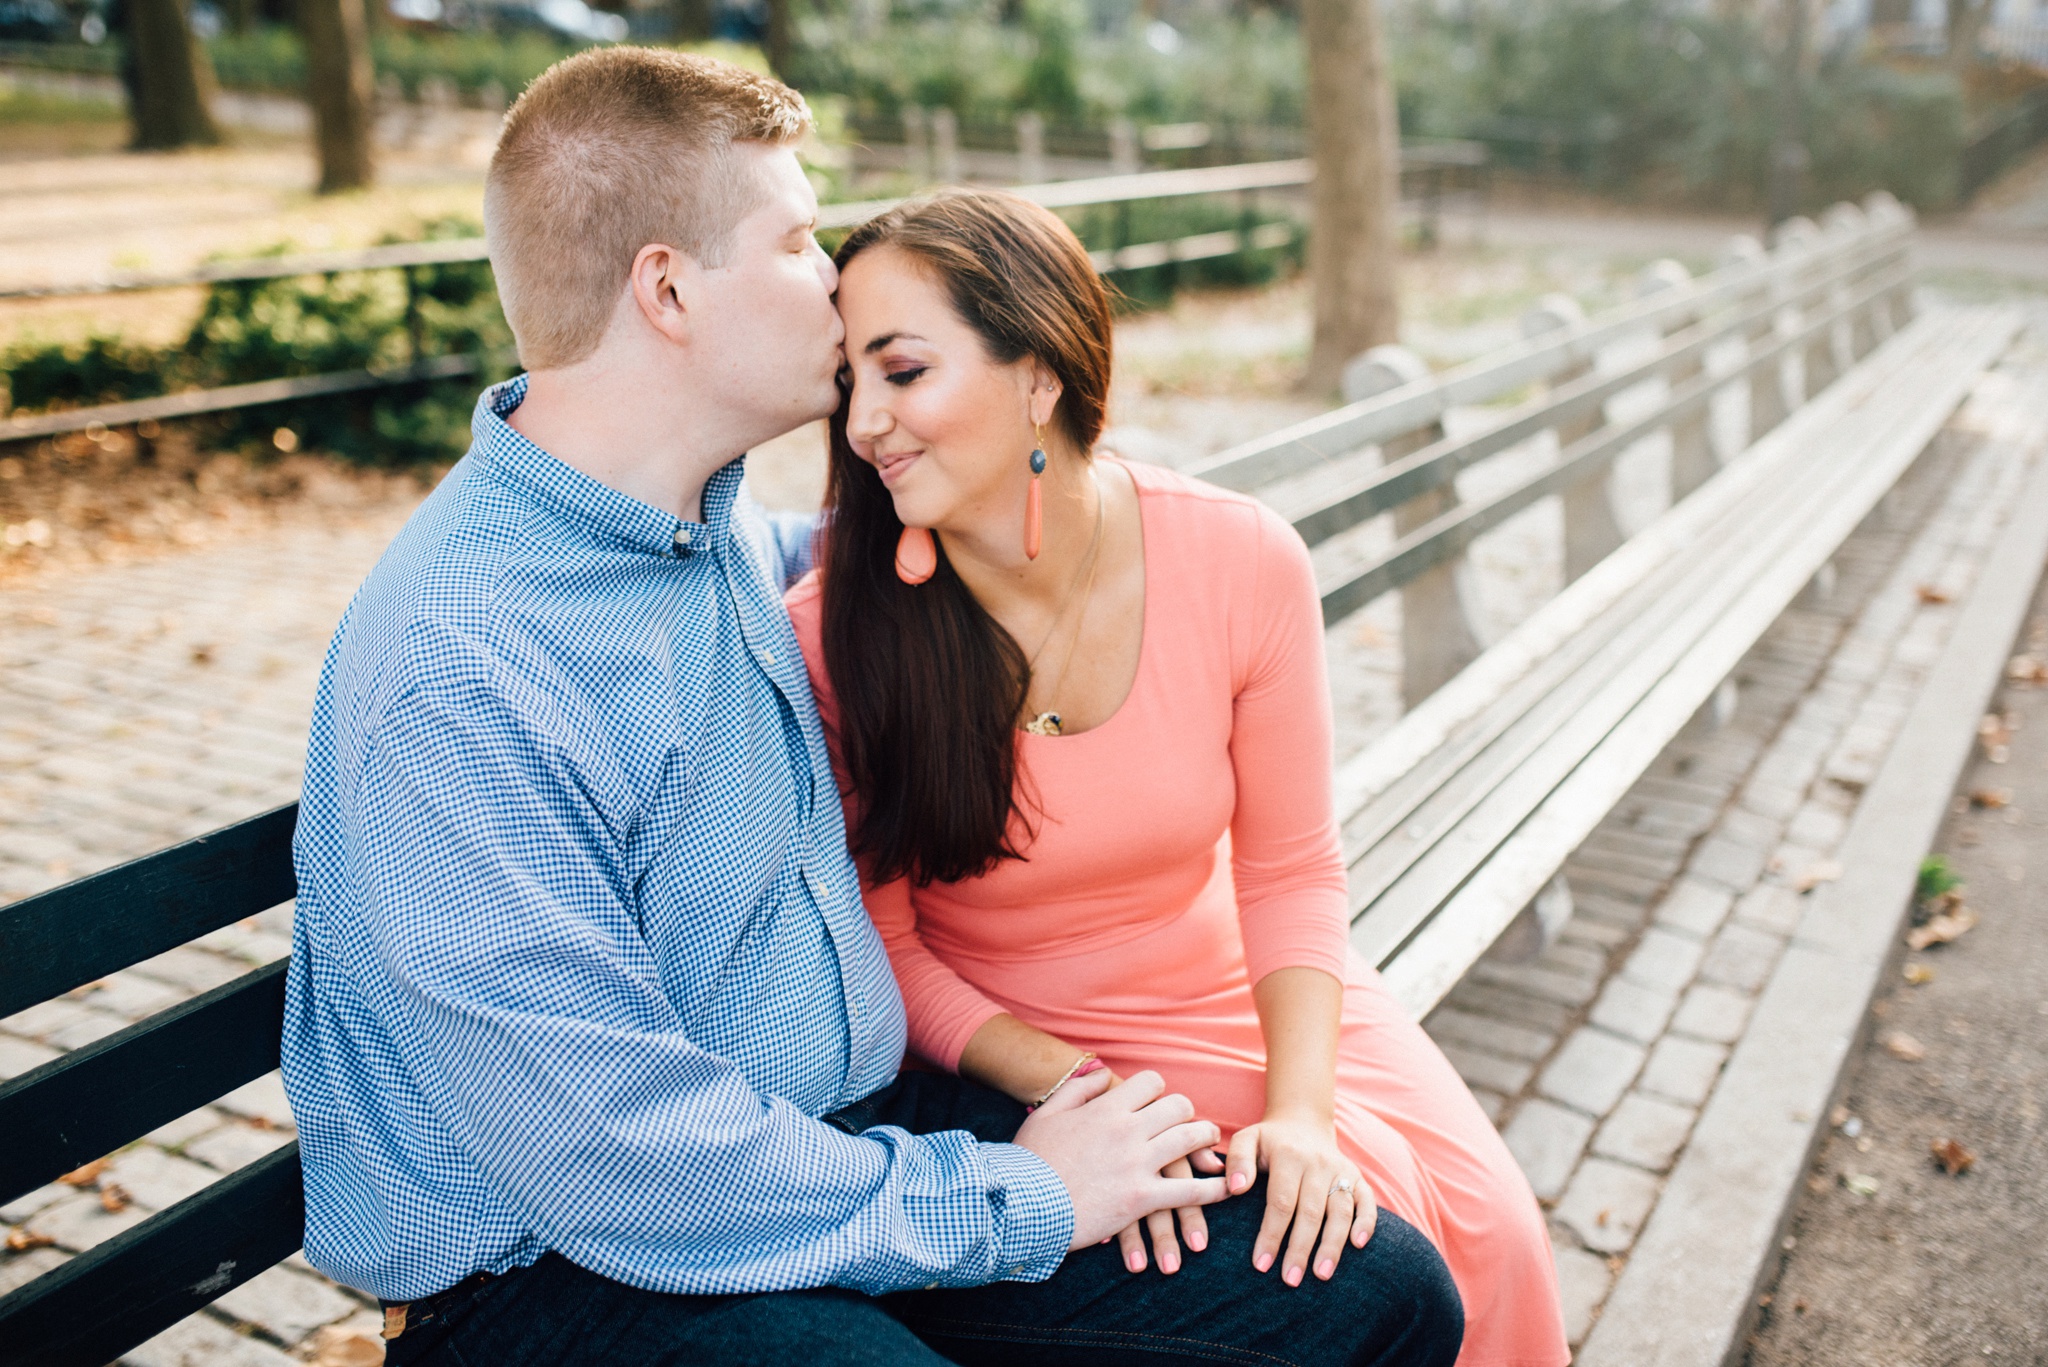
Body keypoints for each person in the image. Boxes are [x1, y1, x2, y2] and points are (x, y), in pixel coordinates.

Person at [281, 45, 1465, 1367]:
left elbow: (958, 538)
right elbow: (615, 1150)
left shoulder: (707, 532)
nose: (833, 284)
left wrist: (1064, 508)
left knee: (1379, 1291)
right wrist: (1018, 1194)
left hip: (835, 1144)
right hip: (568, 1267)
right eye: (796, 242)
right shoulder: (467, 662)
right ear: (667, 289)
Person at [784, 190, 1571, 1367]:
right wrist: (1087, 1094)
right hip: (1020, 1036)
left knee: (1489, 1233)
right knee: (1340, 1267)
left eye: (902, 372)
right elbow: (889, 947)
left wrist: (1300, 1107)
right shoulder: (835, 632)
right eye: (852, 383)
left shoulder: (1238, 556)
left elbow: (1292, 866)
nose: (866, 424)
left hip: (1244, 983)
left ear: (1037, 369)